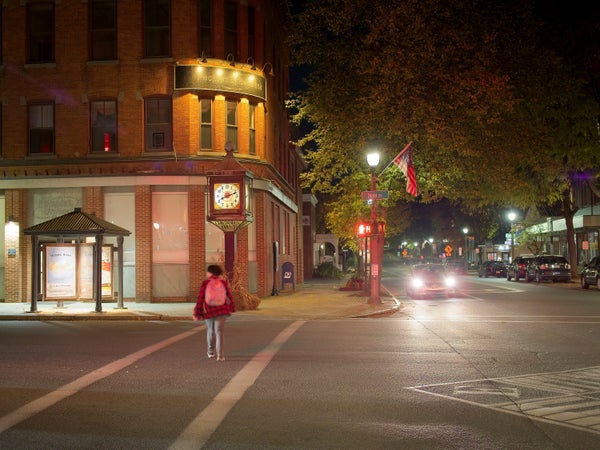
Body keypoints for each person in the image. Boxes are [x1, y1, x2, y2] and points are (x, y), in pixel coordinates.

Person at [193, 265, 235, 361]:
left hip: (209, 311)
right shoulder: (223, 283)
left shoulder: (206, 283)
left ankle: (210, 352)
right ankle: (220, 356)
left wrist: (197, 312)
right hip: (222, 310)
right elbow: (229, 296)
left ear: (210, 273)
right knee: (219, 332)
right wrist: (232, 308)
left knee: (210, 331)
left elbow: (200, 299)